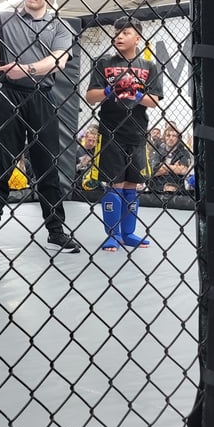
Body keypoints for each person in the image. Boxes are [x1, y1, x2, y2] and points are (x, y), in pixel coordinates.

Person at [0, 0, 81, 256]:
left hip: (42, 97)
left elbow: (58, 60)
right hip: (10, 96)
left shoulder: (59, 27)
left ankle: (56, 231)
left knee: (47, 166)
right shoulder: (6, 19)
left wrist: (26, 69)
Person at [86, 16, 162, 252]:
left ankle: (128, 233)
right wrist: (110, 90)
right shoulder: (103, 63)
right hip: (110, 132)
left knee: (132, 184)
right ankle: (113, 234)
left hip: (137, 132)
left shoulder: (149, 66)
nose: (118, 36)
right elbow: (90, 97)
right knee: (114, 184)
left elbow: (154, 101)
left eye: (125, 33)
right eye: (117, 32)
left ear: (137, 38)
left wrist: (136, 93)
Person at [149, 121, 192, 194]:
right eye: (168, 135)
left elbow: (183, 170)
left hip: (177, 189)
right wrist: (174, 167)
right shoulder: (158, 152)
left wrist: (164, 166)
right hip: (157, 189)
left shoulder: (184, 152)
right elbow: (154, 171)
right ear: (164, 138)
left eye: (174, 136)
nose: (171, 138)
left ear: (178, 138)